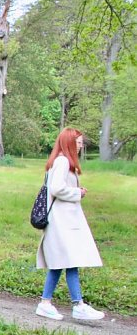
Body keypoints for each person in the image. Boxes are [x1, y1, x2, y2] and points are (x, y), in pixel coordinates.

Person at [34, 128, 104, 321]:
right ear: (70, 143)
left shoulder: (60, 161)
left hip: (62, 222)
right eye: (79, 143)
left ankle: (46, 303)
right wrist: (77, 193)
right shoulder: (63, 161)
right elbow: (57, 188)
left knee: (61, 263)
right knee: (70, 261)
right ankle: (77, 305)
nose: (81, 146)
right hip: (61, 222)